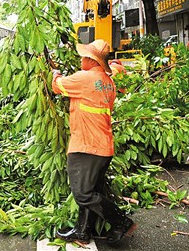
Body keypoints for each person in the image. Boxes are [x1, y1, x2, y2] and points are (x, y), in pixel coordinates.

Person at [51, 39, 136, 244]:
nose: (81, 60)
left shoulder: (84, 78)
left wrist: (54, 73)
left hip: (86, 146)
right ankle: (83, 231)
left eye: (83, 57)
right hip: (103, 146)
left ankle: (121, 222)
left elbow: (57, 86)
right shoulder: (108, 83)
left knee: (83, 194)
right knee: (93, 191)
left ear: (91, 60)